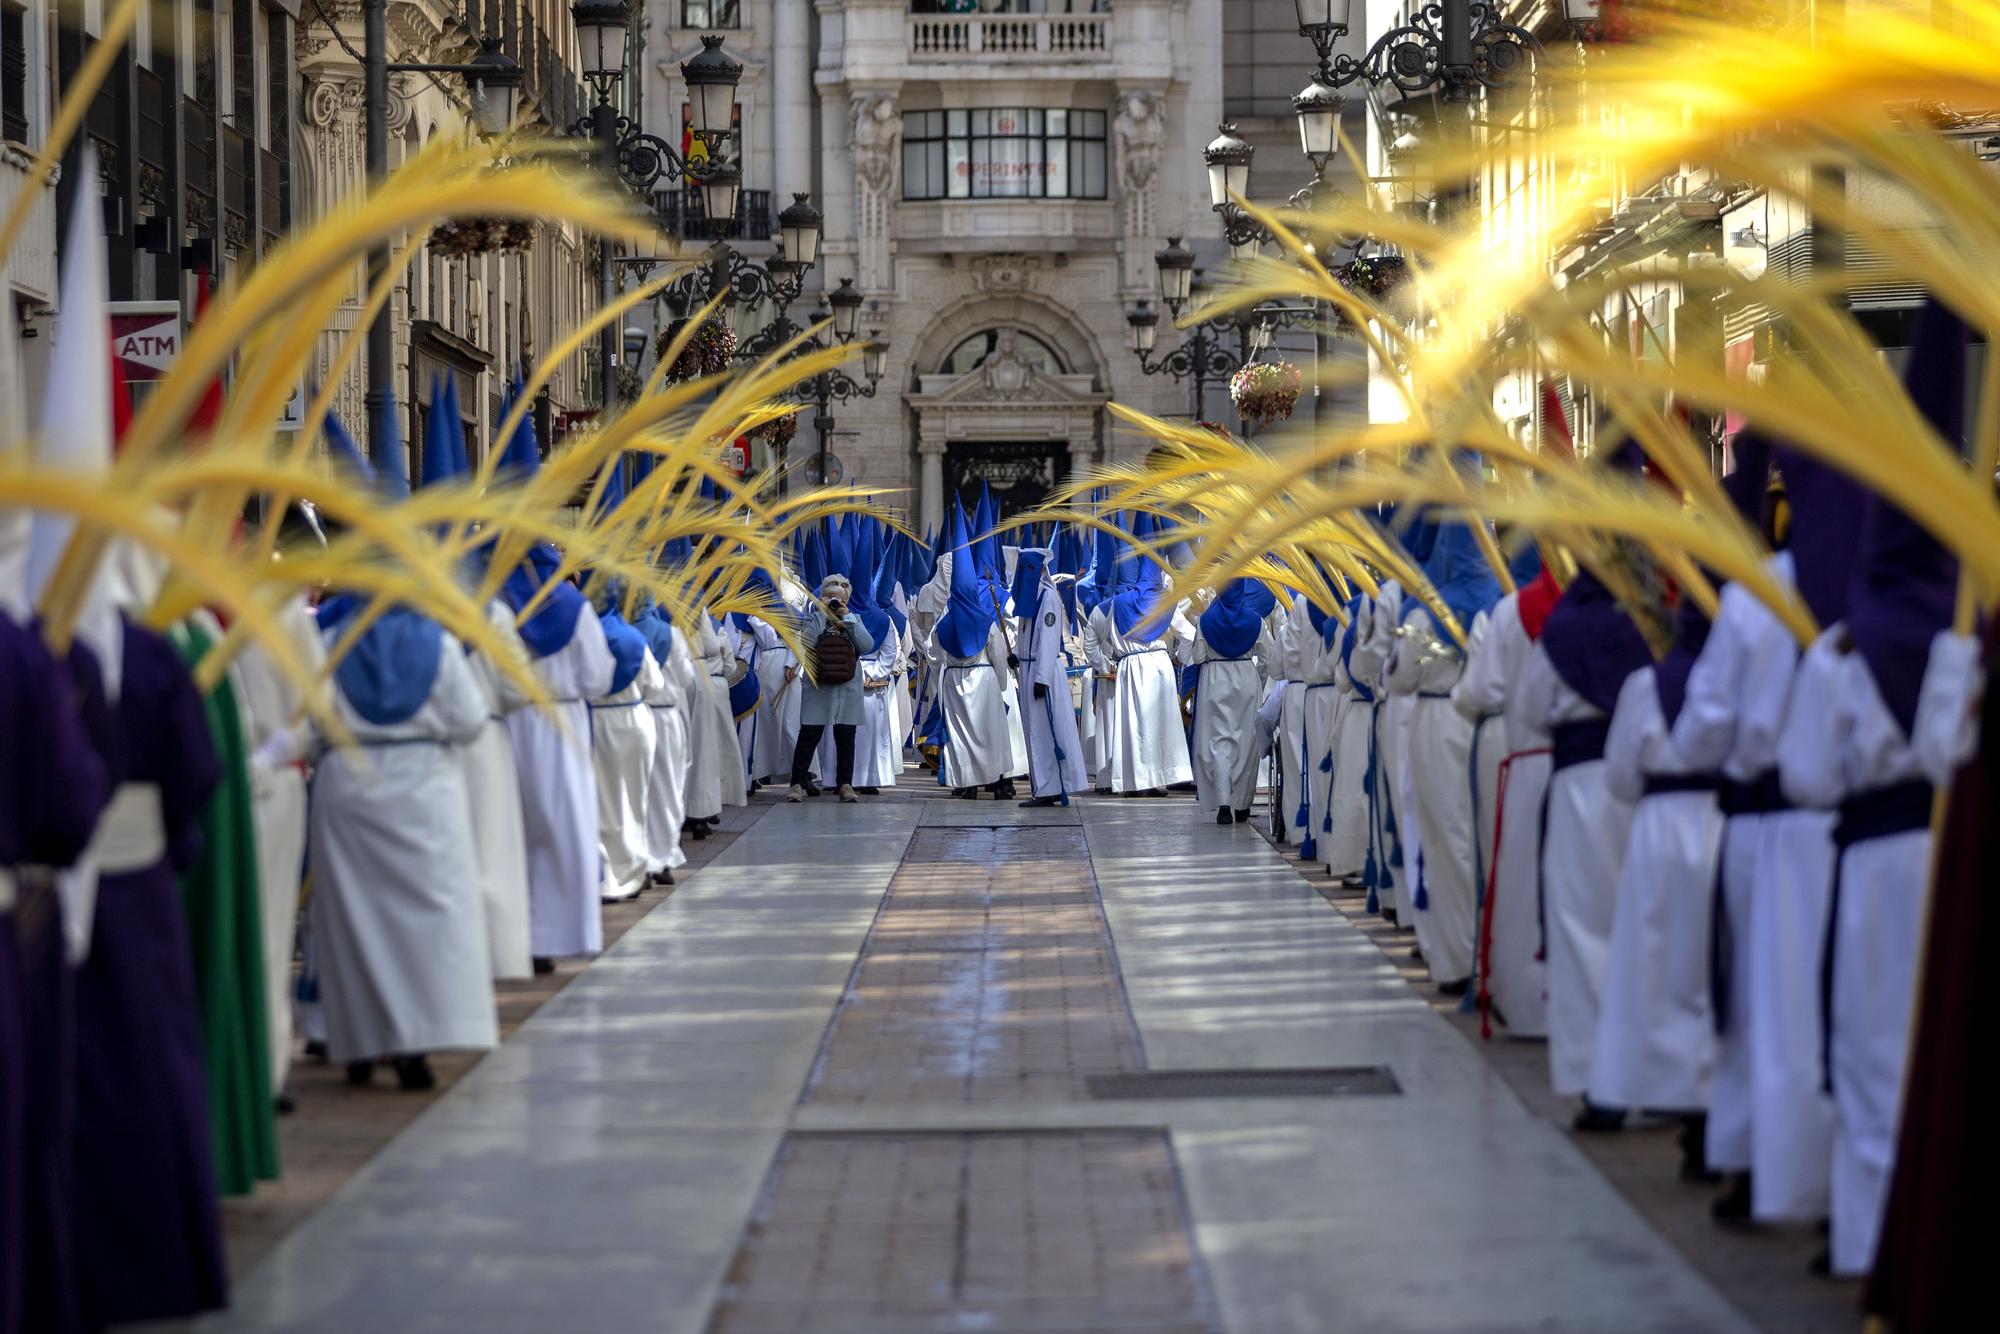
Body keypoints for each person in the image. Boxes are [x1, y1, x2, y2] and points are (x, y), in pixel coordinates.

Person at [1777, 299, 1963, 1279]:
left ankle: (1864, 1242)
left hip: (1865, 871)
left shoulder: (1842, 649)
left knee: (1861, 1052)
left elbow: (1807, 774)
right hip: (1941, 868)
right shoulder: (1961, 631)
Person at [309, 585, 496, 1090]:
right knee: (422, 925)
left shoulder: (327, 637)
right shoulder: (437, 638)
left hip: (348, 782)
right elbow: (471, 719)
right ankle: (415, 1042)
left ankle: (359, 1043)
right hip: (425, 788)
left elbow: (306, 719)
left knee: (354, 922)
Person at [1516, 556, 1650, 1126]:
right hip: (1639, 788)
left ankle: (1601, 1082)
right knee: (1638, 930)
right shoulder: (1650, 624)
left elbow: (1529, 708)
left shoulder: (1561, 633)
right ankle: (1648, 1074)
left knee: (1580, 930)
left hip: (1576, 789)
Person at [1387, 521, 1502, 992]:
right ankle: (1488, 952)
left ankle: (1454, 957)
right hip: (1488, 726)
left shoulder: (1426, 613)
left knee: (1441, 839)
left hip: (1437, 721)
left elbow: (1398, 678)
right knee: (1482, 839)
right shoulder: (1501, 604)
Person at [1454, 553, 1558, 1039]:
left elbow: (1482, 688)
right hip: (1592, 770)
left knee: (1515, 880)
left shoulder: (1509, 611)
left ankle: (1520, 1000)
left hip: (1523, 759)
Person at [919, 505, 1014, 798]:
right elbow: (997, 653)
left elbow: (932, 650)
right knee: (991, 733)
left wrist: (943, 671)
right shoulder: (986, 621)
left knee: (961, 735)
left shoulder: (945, 621)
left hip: (954, 681)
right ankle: (997, 781)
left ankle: (967, 782)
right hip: (984, 680)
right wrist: (1000, 683)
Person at [1098, 517, 1195, 796]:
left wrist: (1116, 656)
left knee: (1134, 725)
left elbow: (1106, 636)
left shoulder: (1117, 603)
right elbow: (1188, 634)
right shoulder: (1165, 602)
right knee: (1158, 724)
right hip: (1159, 666)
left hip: (1129, 666)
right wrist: (1180, 657)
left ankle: (1133, 782)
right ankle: (1156, 780)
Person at [587, 580, 662, 903]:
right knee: (636, 798)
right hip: (634, 721)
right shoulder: (634, 637)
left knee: (604, 801)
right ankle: (635, 869)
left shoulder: (586, 635)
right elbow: (655, 685)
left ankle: (608, 876)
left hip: (598, 723)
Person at [1187, 577, 1276, 823]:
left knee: (1218, 744)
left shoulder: (1205, 621)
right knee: (1245, 743)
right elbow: (1269, 658)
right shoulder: (1256, 621)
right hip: (1246, 680)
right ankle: (1242, 803)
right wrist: (1256, 676)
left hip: (1215, 681)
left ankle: (1223, 801)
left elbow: (1197, 656)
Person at [788, 574, 877, 801]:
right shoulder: (812, 619)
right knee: (809, 735)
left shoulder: (853, 618)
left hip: (847, 689)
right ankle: (796, 784)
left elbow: (867, 645)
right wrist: (821, 614)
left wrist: (848, 620)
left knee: (846, 737)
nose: (836, 603)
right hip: (819, 687)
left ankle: (845, 784)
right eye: (831, 598)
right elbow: (806, 641)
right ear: (823, 597)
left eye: (840, 599)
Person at [1013, 546, 1090, 807]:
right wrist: (1015, 653)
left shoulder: (1047, 597)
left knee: (1043, 731)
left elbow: (1047, 638)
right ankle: (1047, 785)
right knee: (1035, 730)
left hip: (1041, 671)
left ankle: (1048, 788)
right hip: (1028, 668)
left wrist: (1042, 677)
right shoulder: (1028, 596)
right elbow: (1024, 633)